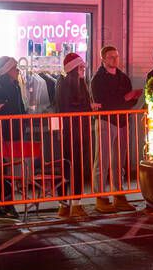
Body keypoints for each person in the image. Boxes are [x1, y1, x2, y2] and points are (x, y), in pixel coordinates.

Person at [90, 46, 138, 214]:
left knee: (119, 160)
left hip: (122, 120)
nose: (115, 60)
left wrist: (128, 100)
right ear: (103, 59)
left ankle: (119, 194)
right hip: (105, 121)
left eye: (116, 56)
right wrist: (124, 99)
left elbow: (130, 101)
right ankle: (100, 196)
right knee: (102, 160)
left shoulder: (123, 78)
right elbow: (102, 102)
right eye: (111, 57)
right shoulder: (97, 80)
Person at [55, 53, 99, 219]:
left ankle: (74, 204)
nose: (83, 70)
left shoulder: (80, 83)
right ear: (73, 68)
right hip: (71, 131)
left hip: (78, 130)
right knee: (68, 167)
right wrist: (88, 109)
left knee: (76, 167)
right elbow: (66, 108)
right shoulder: (65, 84)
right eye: (80, 67)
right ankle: (66, 204)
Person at [0, 56, 24, 219]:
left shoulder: (14, 86)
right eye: (15, 68)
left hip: (13, 133)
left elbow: (19, 108)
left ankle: (7, 203)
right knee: (1, 170)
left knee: (9, 170)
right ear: (7, 70)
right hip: (1, 134)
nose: (18, 71)